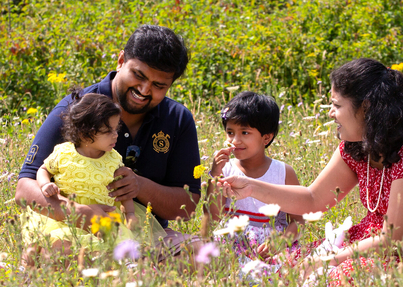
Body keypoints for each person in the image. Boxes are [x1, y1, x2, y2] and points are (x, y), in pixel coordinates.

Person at [219, 58, 403, 287]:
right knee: (284, 268)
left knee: (318, 281)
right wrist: (252, 187)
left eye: (336, 105)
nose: (331, 113)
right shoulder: (356, 146)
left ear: (365, 107)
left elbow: (397, 239)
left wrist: (326, 260)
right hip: (374, 247)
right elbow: (312, 199)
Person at [16, 25, 202, 265]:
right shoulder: (76, 111)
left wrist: (138, 187)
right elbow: (24, 190)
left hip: (138, 234)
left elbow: (185, 208)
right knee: (63, 255)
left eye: (159, 86)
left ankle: (134, 270)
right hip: (68, 231)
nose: (144, 90)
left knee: (201, 252)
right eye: (139, 75)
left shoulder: (177, 119)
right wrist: (78, 213)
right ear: (121, 60)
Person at [23, 92, 144, 256]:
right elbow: (44, 169)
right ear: (84, 133)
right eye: (108, 130)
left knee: (114, 248)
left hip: (104, 218)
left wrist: (130, 213)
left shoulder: (113, 159)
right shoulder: (64, 152)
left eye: (116, 129)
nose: (115, 135)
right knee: (58, 244)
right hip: (66, 218)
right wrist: (45, 184)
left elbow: (124, 190)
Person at [206, 91, 304, 261]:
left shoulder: (283, 173)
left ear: (266, 138)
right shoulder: (224, 170)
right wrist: (215, 174)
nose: (235, 140)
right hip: (232, 247)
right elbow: (213, 217)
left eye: (244, 133)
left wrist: (282, 241)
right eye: (230, 132)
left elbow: (299, 221)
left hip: (270, 249)